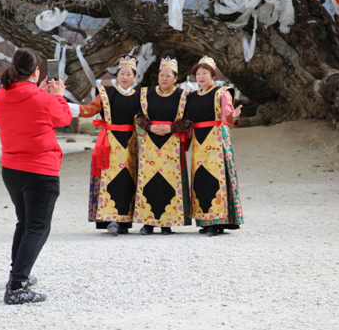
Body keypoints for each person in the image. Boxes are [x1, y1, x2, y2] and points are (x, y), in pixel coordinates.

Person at [0, 48, 72, 304]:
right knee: (37, 227)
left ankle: (17, 274)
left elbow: (26, 104)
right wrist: (58, 96)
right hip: (40, 170)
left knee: (24, 223)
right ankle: (16, 287)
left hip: (11, 167)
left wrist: (42, 92)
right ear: (36, 72)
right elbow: (64, 118)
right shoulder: (44, 98)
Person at [79, 56, 141, 235]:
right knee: (110, 178)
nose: (125, 77)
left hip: (130, 143)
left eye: (128, 74)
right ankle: (110, 219)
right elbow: (91, 109)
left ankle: (124, 220)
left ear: (134, 77)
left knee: (127, 180)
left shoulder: (139, 97)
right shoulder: (106, 93)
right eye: (122, 73)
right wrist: (70, 109)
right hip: (110, 142)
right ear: (117, 75)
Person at [186, 56, 244, 236]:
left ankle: (218, 221)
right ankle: (205, 220)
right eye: (198, 73)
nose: (201, 76)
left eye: (205, 73)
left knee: (215, 179)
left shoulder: (222, 92)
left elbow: (227, 113)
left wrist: (233, 115)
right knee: (200, 179)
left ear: (213, 75)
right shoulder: (192, 96)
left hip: (216, 140)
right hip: (199, 141)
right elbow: (187, 119)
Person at [134, 56, 191, 235]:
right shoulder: (145, 94)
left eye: (168, 76)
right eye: (161, 75)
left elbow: (189, 121)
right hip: (151, 142)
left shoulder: (182, 96)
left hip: (172, 143)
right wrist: (149, 127)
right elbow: (138, 117)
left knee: (169, 181)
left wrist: (172, 128)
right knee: (149, 181)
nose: (164, 78)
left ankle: (167, 222)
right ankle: (148, 223)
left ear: (175, 78)